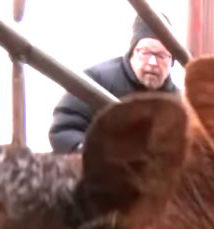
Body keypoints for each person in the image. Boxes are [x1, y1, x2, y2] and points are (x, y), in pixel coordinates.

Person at [48, 14, 179, 154]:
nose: (153, 63)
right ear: (132, 53)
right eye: (145, 53)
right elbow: (64, 130)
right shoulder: (97, 80)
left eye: (161, 56)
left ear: (171, 61)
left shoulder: (179, 101)